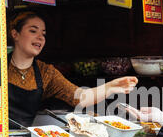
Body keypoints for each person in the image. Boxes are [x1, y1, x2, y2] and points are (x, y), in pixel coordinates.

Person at [8, 11, 138, 127]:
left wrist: (110, 87)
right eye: (33, 31)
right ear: (15, 34)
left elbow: (79, 96)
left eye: (43, 33)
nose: (40, 37)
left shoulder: (46, 72)